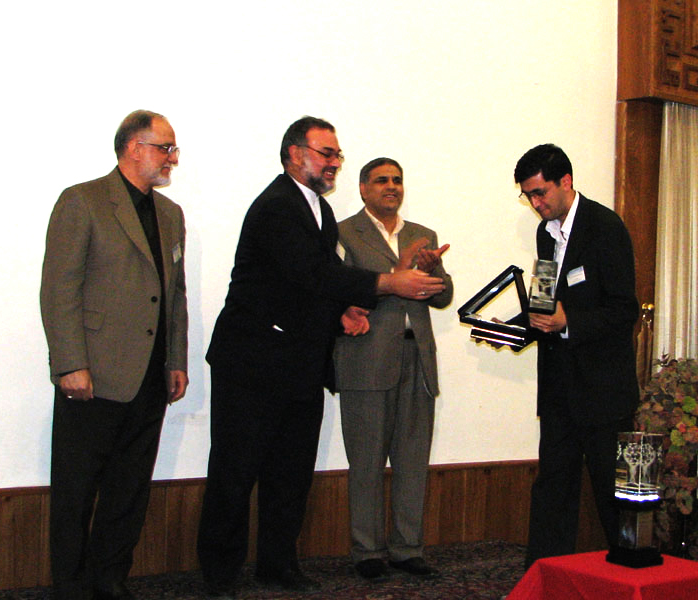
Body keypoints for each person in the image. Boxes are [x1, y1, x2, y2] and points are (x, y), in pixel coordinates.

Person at [197, 117, 445, 597]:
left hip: (300, 361)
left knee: (290, 473)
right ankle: (220, 576)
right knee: (235, 472)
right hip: (251, 362)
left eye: (337, 155)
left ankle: (277, 566)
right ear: (296, 154)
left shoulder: (319, 209)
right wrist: (387, 282)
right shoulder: (276, 205)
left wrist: (342, 312)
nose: (334, 162)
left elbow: (318, 281)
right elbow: (310, 274)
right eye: (326, 153)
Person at [40, 110, 188, 600]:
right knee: (76, 490)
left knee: (129, 489)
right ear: (133, 147)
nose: (172, 158)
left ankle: (109, 580)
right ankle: (70, 587)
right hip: (94, 373)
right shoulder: (82, 201)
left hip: (150, 377)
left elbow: (175, 295)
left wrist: (176, 360)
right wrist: (69, 364)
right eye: (165, 147)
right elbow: (59, 288)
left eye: (172, 149)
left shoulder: (170, 214)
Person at [512, 143, 639, 569]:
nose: (535, 203)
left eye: (540, 192)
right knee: (552, 487)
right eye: (528, 195)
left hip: (603, 390)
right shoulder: (544, 233)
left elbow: (624, 311)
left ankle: (628, 578)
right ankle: (542, 578)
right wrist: (514, 328)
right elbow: (545, 302)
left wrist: (569, 321)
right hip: (558, 387)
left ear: (565, 181)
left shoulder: (605, 228)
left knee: (611, 493)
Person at [333, 158, 453, 580]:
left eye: (397, 180)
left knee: (412, 459)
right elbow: (337, 290)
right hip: (364, 358)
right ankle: (366, 551)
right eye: (382, 180)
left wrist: (432, 271)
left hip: (416, 357)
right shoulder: (344, 233)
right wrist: (395, 275)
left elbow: (443, 297)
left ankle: (407, 548)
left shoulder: (423, 235)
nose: (391, 186)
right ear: (363, 188)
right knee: (366, 461)